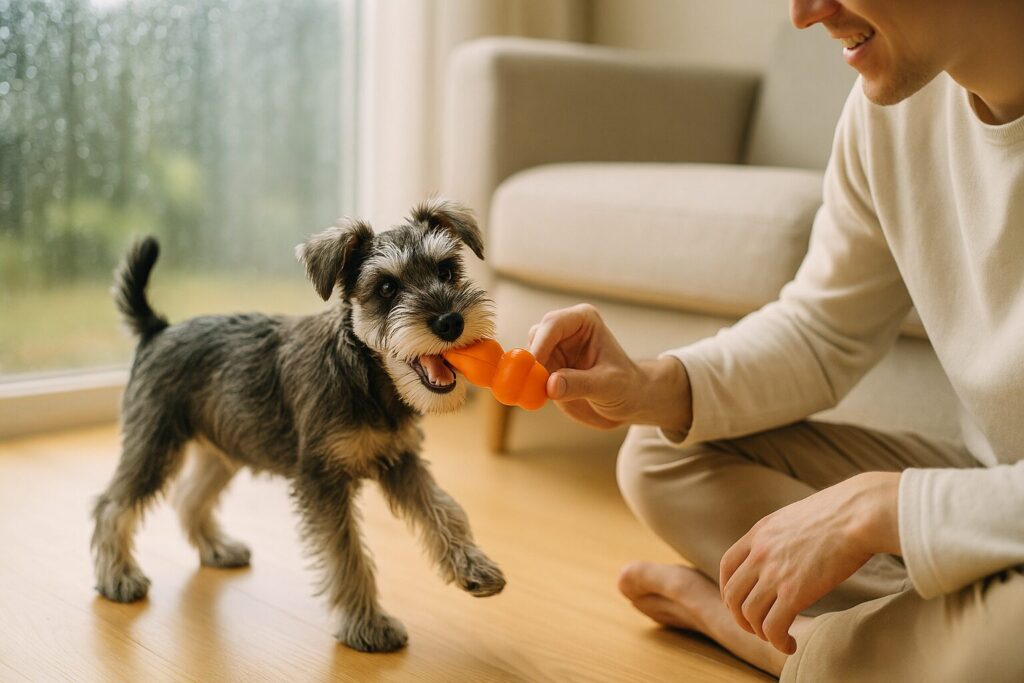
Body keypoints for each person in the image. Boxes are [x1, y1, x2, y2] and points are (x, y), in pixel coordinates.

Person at [527, 1, 1024, 680]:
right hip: (993, 484)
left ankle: (786, 641)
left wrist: (881, 509)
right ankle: (919, 631)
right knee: (661, 452)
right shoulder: (890, 114)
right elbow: (822, 329)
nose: (804, 13)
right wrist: (651, 383)